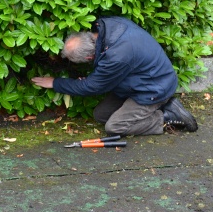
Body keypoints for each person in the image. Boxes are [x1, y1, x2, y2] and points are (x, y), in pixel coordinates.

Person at [31, 16, 198, 136]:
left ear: (89, 58)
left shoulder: (116, 56)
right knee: (101, 115)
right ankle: (160, 108)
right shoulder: (107, 26)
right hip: (142, 81)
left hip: (153, 89)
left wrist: (55, 83)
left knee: (114, 127)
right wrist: (94, 79)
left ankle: (167, 116)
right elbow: (101, 78)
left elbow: (92, 87)